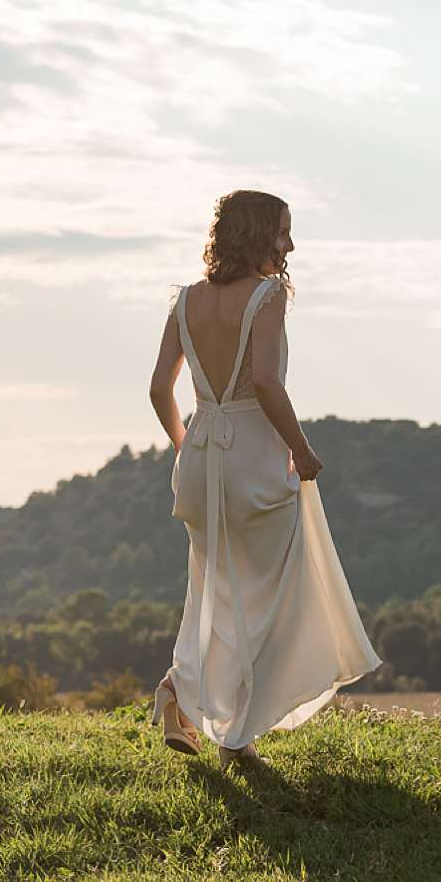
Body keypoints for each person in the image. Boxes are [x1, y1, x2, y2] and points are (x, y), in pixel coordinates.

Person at [146, 190, 379, 767]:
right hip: (252, 456)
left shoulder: (185, 302)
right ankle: (224, 726)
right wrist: (302, 450)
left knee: (216, 590)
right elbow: (269, 385)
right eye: (283, 233)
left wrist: (188, 448)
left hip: (201, 458)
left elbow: (158, 389)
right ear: (257, 236)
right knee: (273, 599)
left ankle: (204, 709)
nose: (291, 245)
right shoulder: (267, 296)